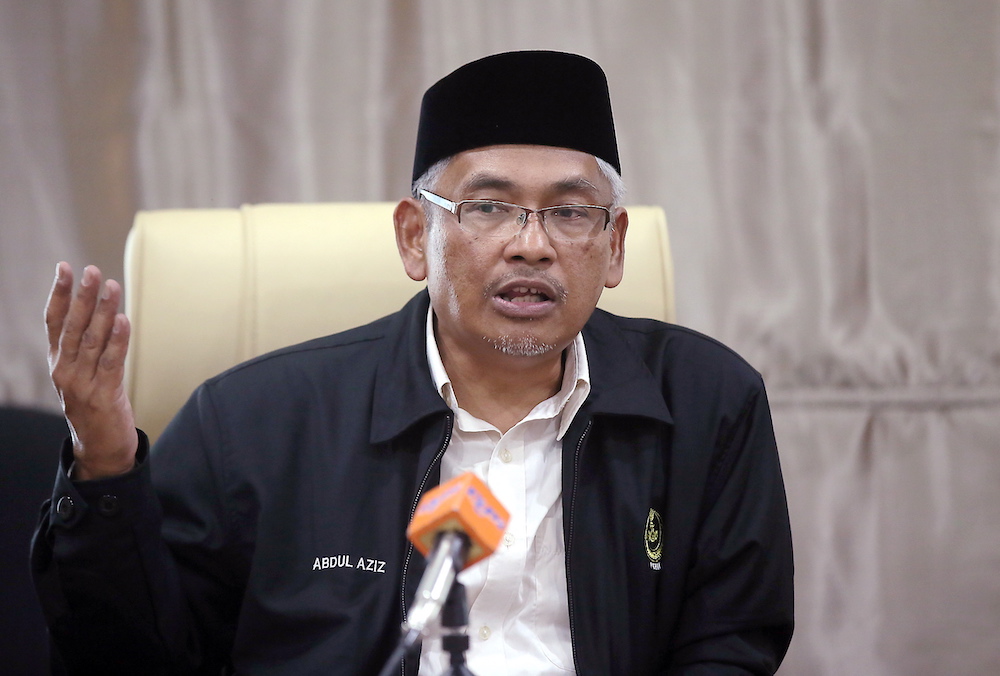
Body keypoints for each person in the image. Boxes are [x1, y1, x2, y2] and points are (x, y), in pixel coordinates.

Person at [33, 51, 794, 675]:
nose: (532, 244)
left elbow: (730, 646)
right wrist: (105, 468)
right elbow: (130, 657)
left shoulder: (707, 406)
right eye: (488, 208)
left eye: (569, 212)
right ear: (411, 237)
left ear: (615, 245)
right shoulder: (251, 423)